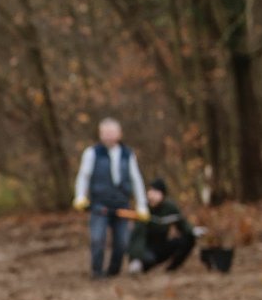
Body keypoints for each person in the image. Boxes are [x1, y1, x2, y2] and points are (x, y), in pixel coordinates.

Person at [72, 118, 148, 278]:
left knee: (122, 242)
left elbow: (136, 180)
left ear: (119, 134)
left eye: (111, 132)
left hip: (122, 204)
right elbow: (83, 176)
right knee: (97, 239)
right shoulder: (92, 153)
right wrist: (80, 196)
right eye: (105, 132)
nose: (108, 136)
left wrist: (142, 205)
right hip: (99, 205)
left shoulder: (128, 154)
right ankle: (97, 271)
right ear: (100, 134)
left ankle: (113, 271)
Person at [128, 178, 197, 274]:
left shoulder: (170, 208)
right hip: (147, 248)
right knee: (147, 259)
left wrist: (192, 232)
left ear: (162, 194)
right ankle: (139, 265)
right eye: (150, 191)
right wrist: (136, 258)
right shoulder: (144, 209)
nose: (151, 194)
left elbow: (183, 224)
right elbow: (138, 236)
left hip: (162, 245)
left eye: (155, 191)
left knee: (187, 239)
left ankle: (172, 269)